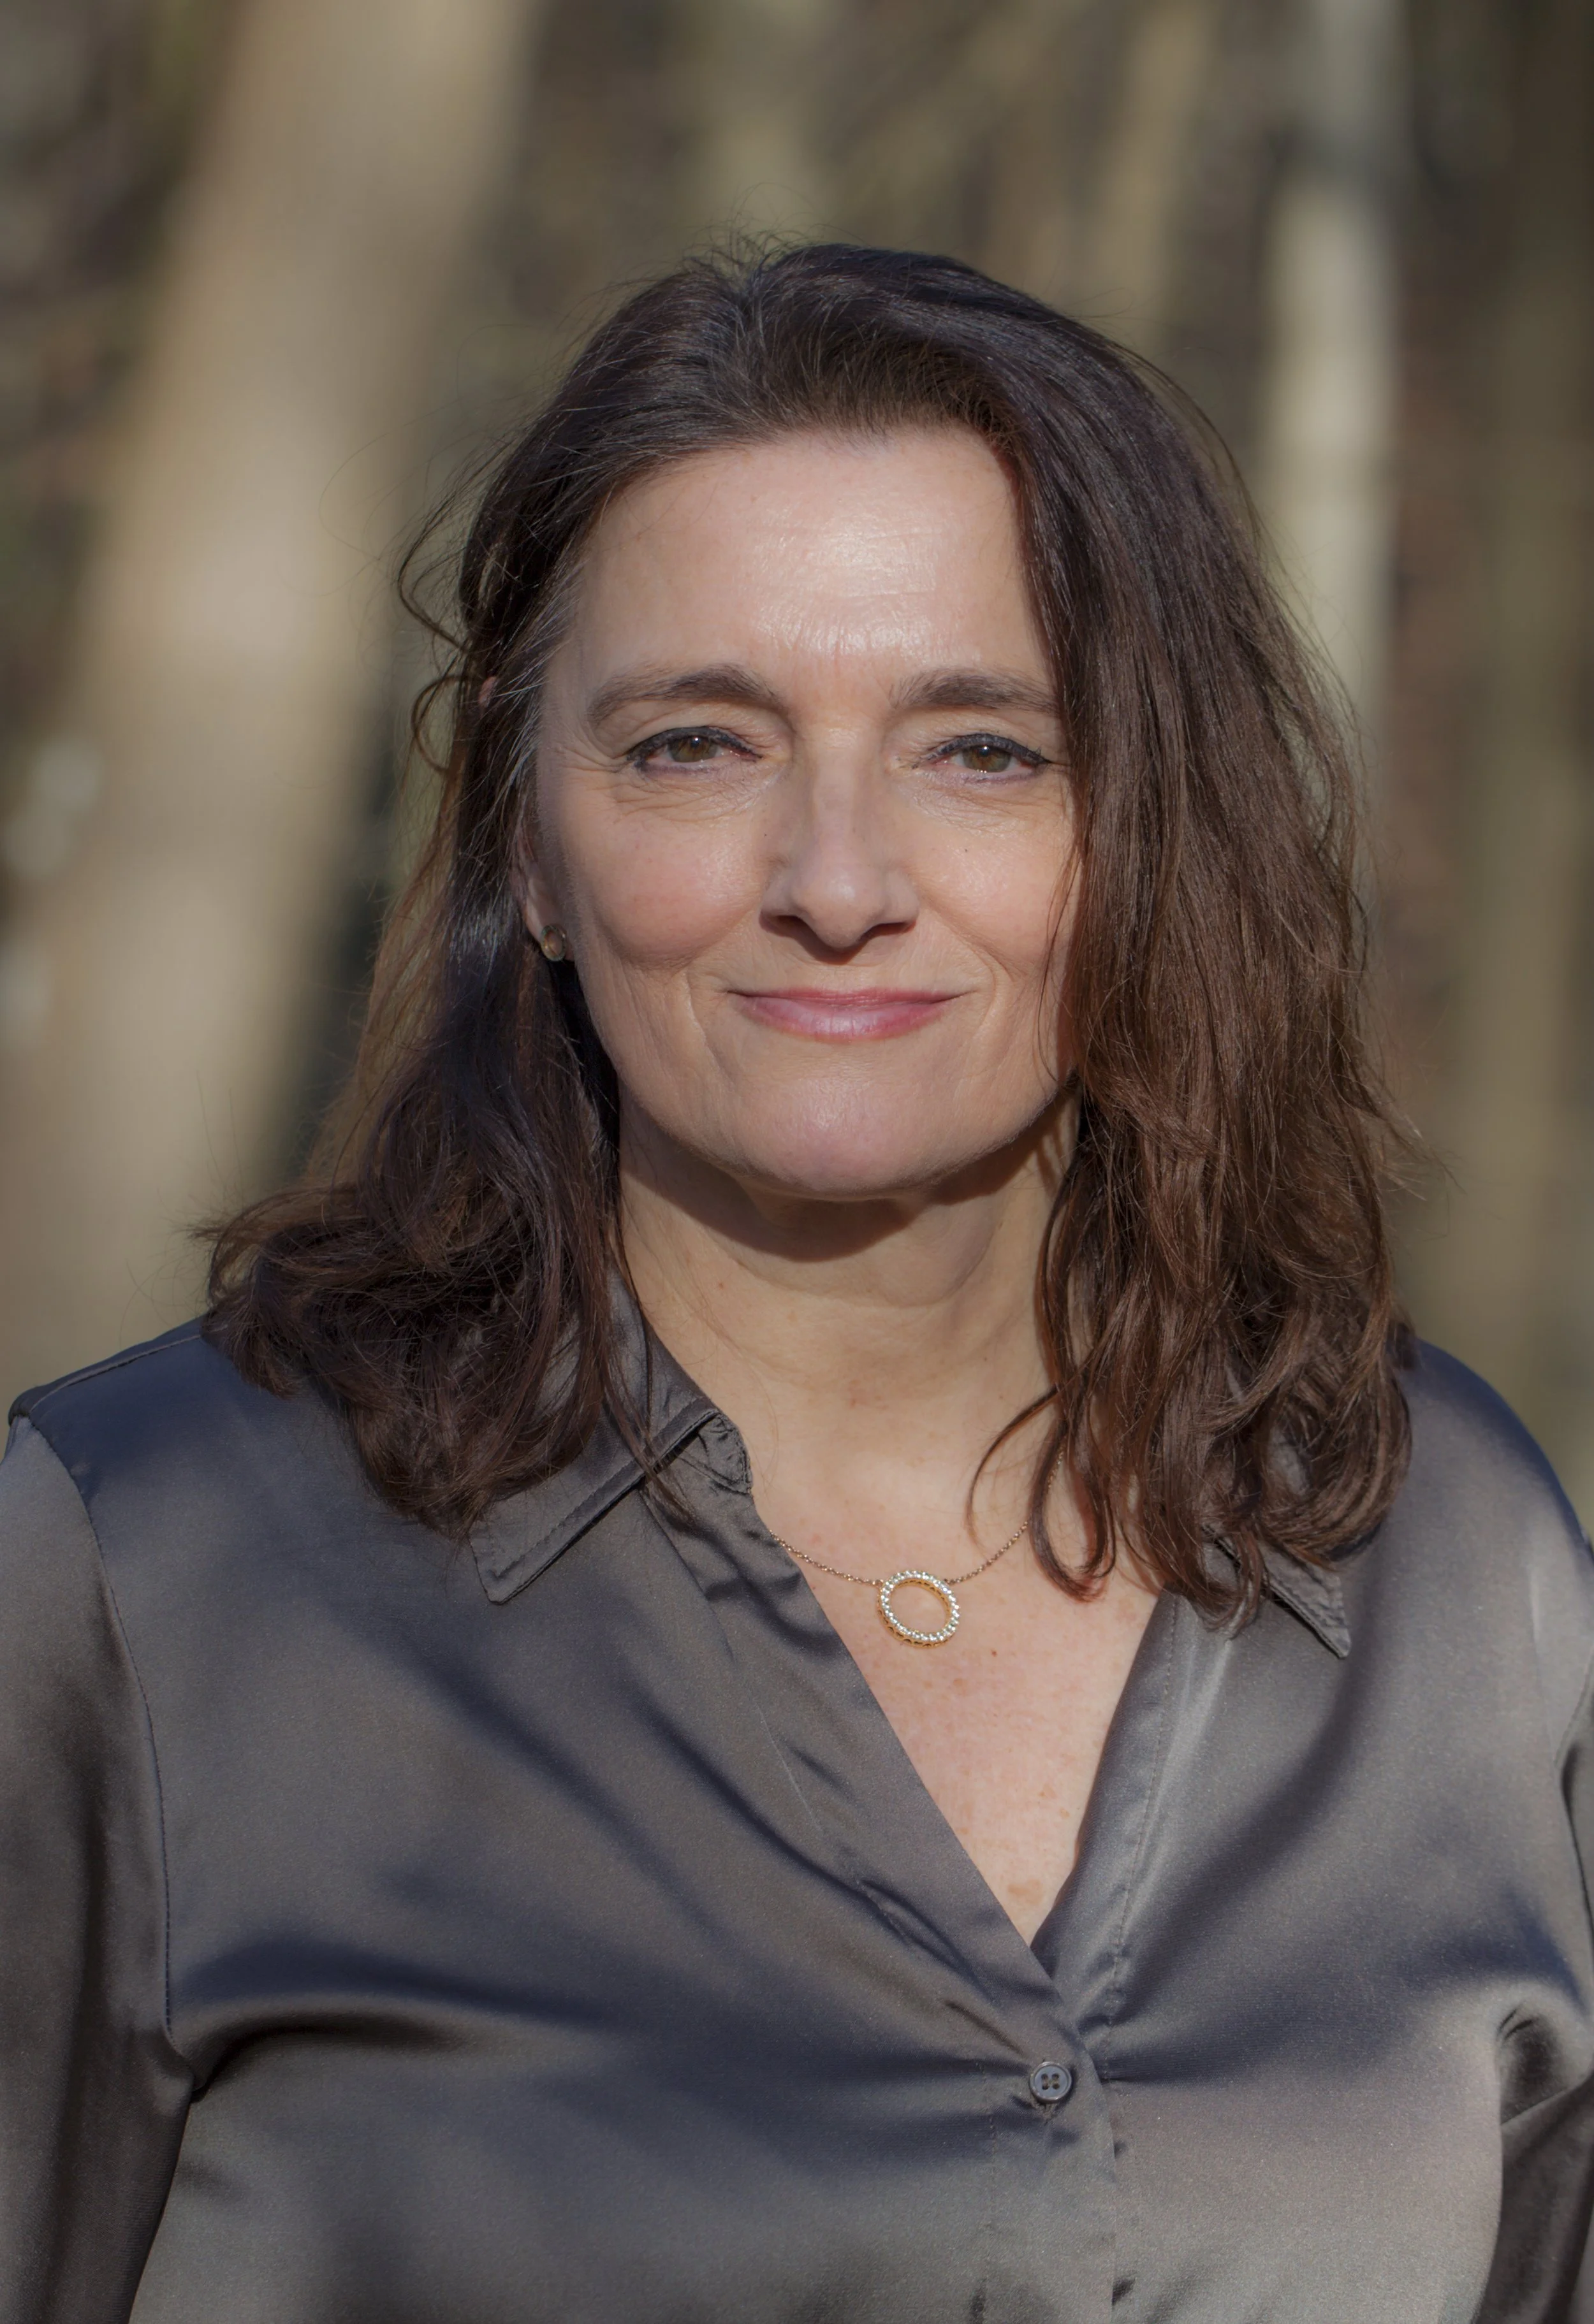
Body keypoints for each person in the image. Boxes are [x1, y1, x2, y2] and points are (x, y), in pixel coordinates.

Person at [1, 243, 1590, 2324]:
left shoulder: (1448, 1548)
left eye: (983, 751)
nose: (835, 881)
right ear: (528, 841)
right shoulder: (153, 1564)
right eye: (692, 744)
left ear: (1154, 832)